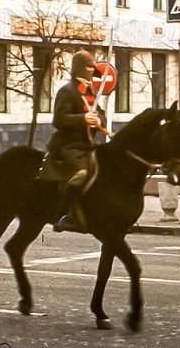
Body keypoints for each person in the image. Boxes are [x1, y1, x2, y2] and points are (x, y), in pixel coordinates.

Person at [44, 50, 106, 234]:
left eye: (92, 67)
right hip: (67, 145)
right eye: (88, 67)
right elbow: (59, 119)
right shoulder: (67, 91)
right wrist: (83, 119)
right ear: (79, 68)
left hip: (87, 145)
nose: (90, 70)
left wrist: (98, 120)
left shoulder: (91, 92)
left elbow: (100, 113)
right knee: (81, 172)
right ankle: (67, 214)